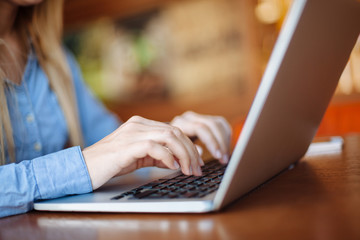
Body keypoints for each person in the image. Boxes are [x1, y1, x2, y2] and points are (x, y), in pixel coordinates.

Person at [0, 0, 232, 218]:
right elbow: (96, 159)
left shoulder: (55, 56)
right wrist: (83, 166)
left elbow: (112, 147)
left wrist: (165, 139)